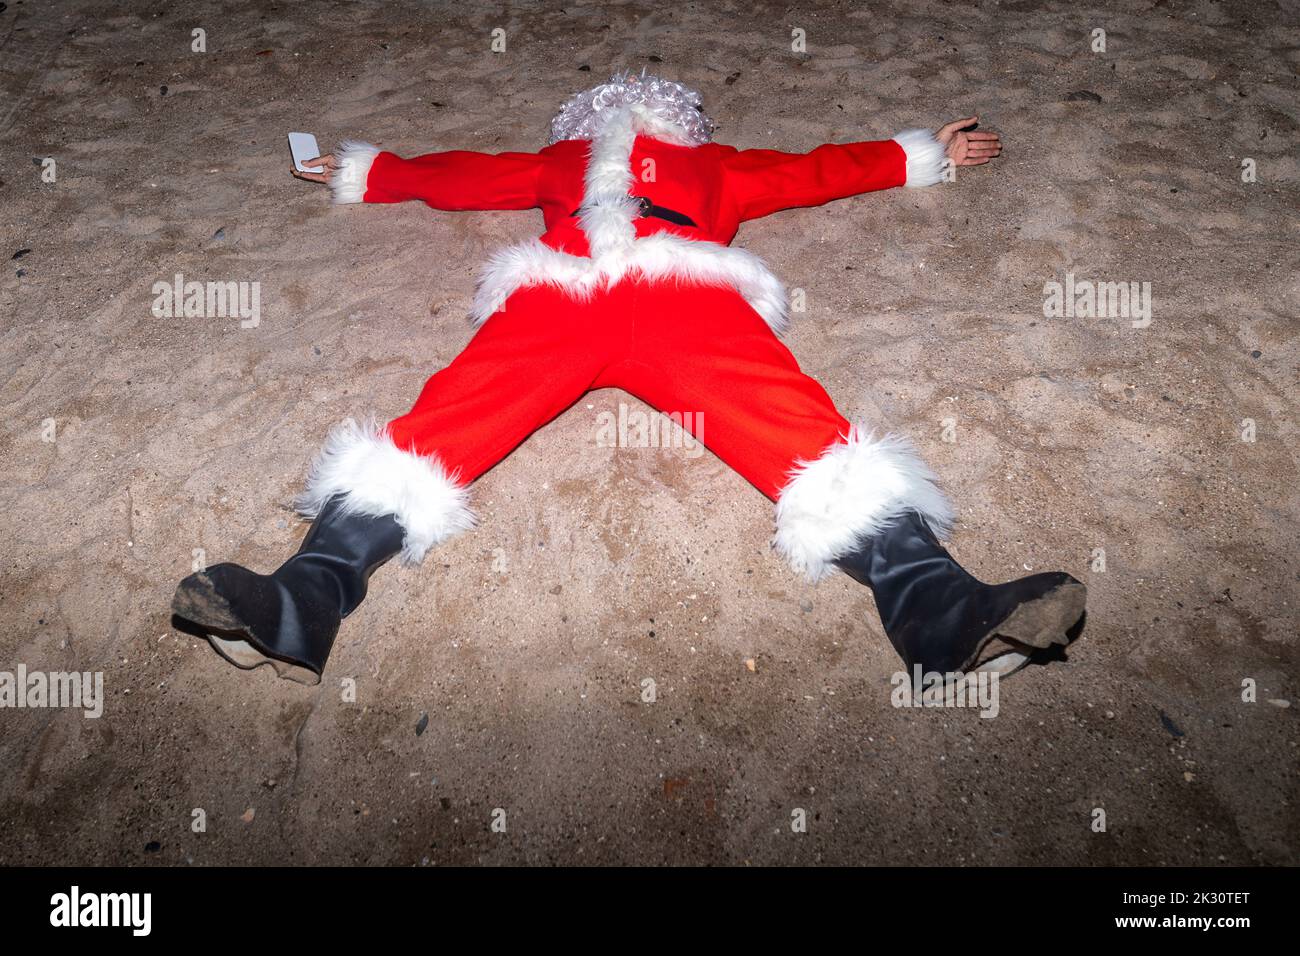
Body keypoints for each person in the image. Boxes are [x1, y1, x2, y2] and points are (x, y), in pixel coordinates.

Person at [172, 71, 1085, 686]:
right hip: (562, 296)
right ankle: (303, 602)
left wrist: (919, 151)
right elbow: (466, 176)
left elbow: (811, 171)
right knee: (445, 417)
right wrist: (374, 170)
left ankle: (943, 610)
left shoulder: (718, 168)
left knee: (798, 427)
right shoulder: (559, 165)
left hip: (688, 293)